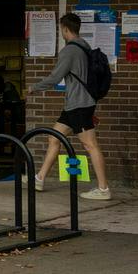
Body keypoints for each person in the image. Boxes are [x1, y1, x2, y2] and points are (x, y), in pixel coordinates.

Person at [32, 13, 112, 201]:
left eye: (61, 29)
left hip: (79, 105)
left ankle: (103, 189)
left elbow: (54, 78)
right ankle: (39, 178)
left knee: (90, 145)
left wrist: (33, 88)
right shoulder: (84, 46)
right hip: (74, 105)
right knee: (54, 137)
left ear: (65, 29)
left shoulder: (70, 51)